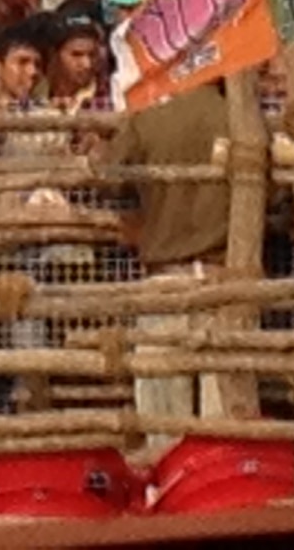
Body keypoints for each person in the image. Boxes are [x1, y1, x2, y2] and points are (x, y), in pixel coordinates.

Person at [104, 75, 236, 451]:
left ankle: (169, 498)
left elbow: (112, 177)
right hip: (224, 281)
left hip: (164, 278)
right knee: (223, 418)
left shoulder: (147, 116)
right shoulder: (240, 118)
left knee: (162, 421)